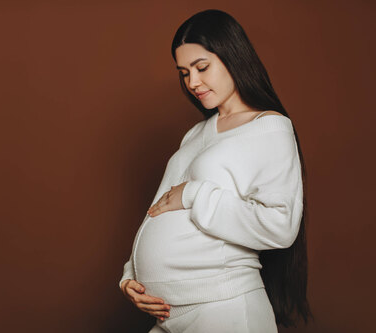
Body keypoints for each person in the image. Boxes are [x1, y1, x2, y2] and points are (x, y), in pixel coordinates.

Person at [119, 9, 314, 333]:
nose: (192, 82)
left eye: (202, 67)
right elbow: (159, 207)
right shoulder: (196, 134)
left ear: (233, 57)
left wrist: (195, 194)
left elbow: (281, 225)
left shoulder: (269, 128)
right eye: (184, 73)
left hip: (224, 311)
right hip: (168, 316)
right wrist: (130, 277)